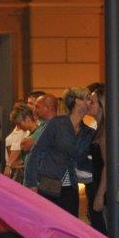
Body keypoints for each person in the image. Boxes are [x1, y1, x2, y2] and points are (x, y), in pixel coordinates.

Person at [23, 87, 98, 216]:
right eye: (88, 98)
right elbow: (35, 153)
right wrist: (31, 184)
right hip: (48, 185)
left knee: (69, 224)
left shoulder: (88, 132)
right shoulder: (57, 124)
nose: (91, 102)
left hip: (71, 188)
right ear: (77, 101)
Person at [5, 105, 36, 181]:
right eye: (16, 124)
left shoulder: (39, 132)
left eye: (19, 124)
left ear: (27, 119)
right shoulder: (27, 134)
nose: (18, 127)